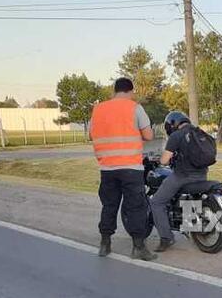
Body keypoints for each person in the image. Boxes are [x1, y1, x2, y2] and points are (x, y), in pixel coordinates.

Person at [90, 77, 156, 261]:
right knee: (135, 206)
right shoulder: (135, 107)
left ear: (115, 90)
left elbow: (91, 134)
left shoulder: (99, 109)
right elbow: (149, 135)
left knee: (109, 205)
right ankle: (138, 247)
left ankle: (105, 244)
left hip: (107, 168)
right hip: (130, 167)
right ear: (130, 91)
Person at [149, 111, 211, 252]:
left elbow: (165, 160)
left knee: (156, 202)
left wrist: (159, 159)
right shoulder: (200, 132)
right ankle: (190, 224)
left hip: (182, 176)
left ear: (172, 125)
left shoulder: (176, 136)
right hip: (202, 175)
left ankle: (166, 238)